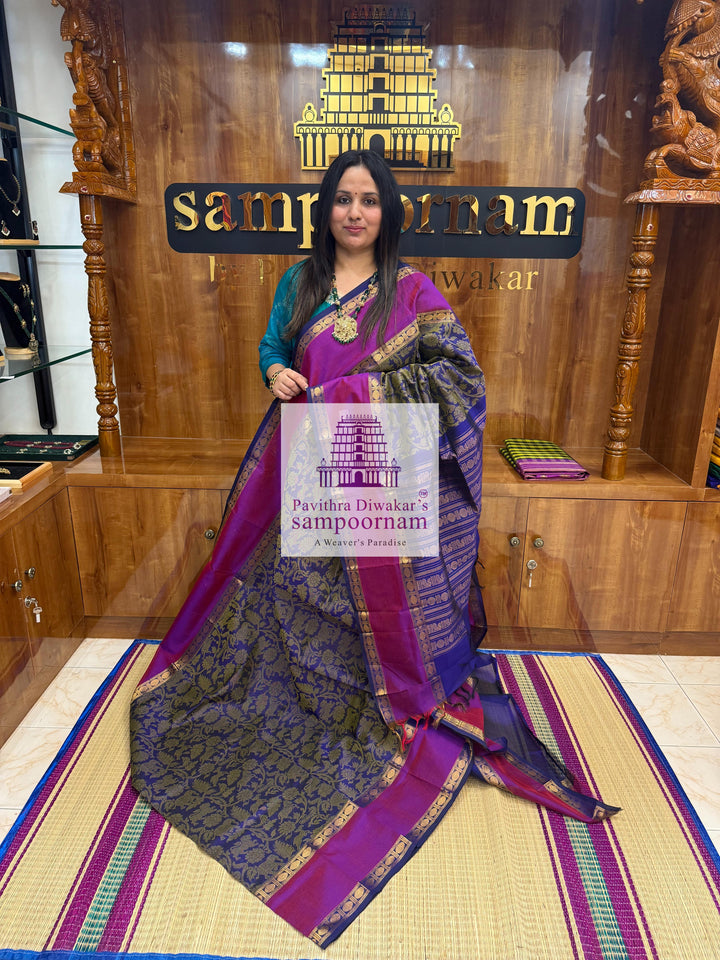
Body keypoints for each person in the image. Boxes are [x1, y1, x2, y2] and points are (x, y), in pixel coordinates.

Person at [130, 150, 618, 949]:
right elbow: (272, 349)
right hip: (310, 462)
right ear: (325, 209)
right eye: (342, 199)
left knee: (377, 601)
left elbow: (460, 377)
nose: (355, 212)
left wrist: (359, 394)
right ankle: (317, 697)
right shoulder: (301, 283)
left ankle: (380, 696)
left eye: (368, 200)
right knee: (307, 593)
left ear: (387, 212)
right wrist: (278, 374)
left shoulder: (413, 290)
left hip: (381, 472)